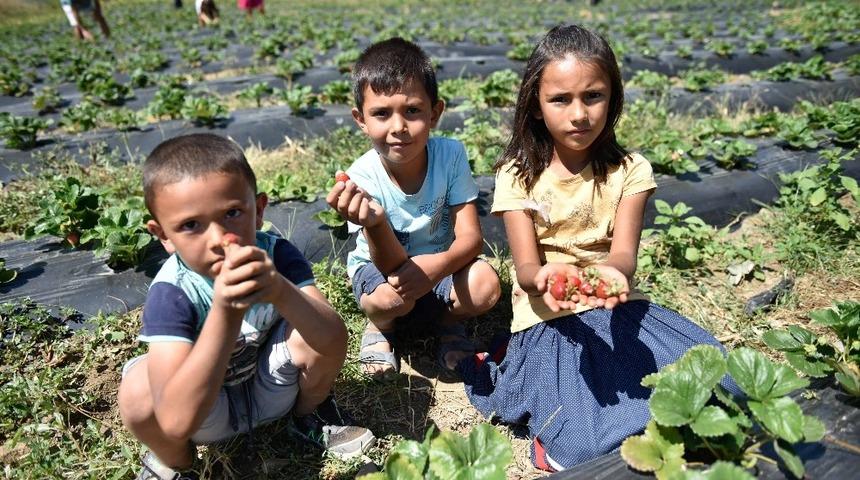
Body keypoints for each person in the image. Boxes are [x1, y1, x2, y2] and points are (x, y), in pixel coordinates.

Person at [458, 25, 736, 472]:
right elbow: (527, 267)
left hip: (619, 309)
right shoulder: (517, 174)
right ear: (535, 105)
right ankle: (552, 423)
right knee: (595, 437)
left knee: (719, 381)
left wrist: (612, 275)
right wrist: (545, 280)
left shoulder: (629, 171)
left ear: (614, 98)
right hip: (549, 320)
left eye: (593, 96)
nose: (579, 114)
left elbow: (624, 254)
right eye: (560, 100)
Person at [118, 134, 375, 479]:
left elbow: (332, 339)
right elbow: (176, 419)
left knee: (311, 322)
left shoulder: (277, 255)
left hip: (273, 392)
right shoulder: (172, 293)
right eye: (191, 225)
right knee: (138, 391)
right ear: (163, 235)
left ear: (259, 211)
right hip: (206, 415)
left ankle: (309, 415)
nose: (218, 240)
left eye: (232, 213)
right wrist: (226, 312)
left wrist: (281, 291)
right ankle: (176, 463)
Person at [326, 38, 501, 380]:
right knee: (390, 300)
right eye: (381, 113)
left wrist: (437, 265)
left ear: (435, 113)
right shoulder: (362, 177)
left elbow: (471, 239)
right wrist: (375, 223)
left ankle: (447, 323)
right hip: (384, 271)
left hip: (441, 264)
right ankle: (381, 327)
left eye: (412, 110)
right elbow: (390, 265)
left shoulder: (450, 155)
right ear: (360, 119)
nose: (398, 127)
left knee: (486, 285)